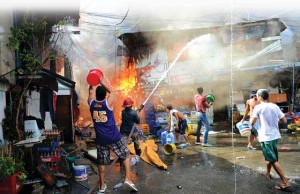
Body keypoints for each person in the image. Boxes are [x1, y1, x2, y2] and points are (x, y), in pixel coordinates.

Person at [88, 76, 138, 193]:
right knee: (125, 153)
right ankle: (128, 179)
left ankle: (102, 186)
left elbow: (90, 92)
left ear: (96, 95)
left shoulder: (91, 104)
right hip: (113, 136)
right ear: (105, 95)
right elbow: (113, 91)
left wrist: (92, 82)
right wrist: (102, 82)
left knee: (101, 161)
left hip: (101, 139)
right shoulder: (107, 103)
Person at [250, 89, 291, 191]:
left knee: (272, 160)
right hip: (275, 136)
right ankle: (268, 172)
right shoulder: (274, 106)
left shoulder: (258, 107)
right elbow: (284, 120)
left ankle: (285, 182)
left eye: (257, 96)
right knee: (271, 156)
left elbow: (251, 122)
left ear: (260, 97)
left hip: (266, 137)